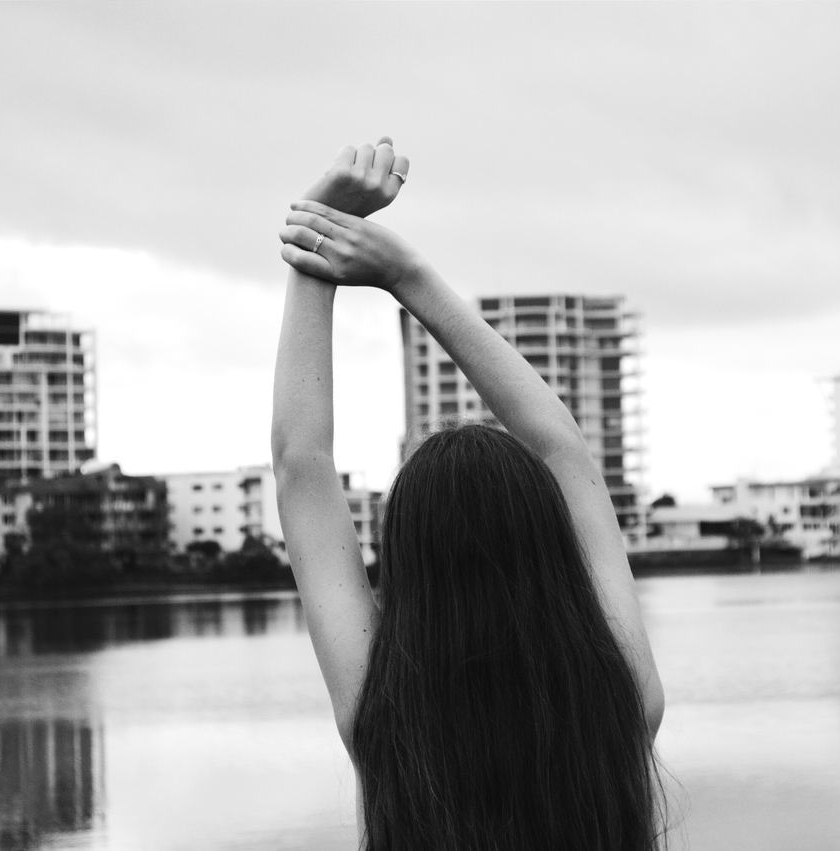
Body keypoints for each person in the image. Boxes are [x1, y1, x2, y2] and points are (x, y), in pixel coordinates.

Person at [271, 139, 665, 850]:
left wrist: (317, 231)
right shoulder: (622, 699)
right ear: (549, 543)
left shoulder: (387, 720)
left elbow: (303, 464)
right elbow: (562, 448)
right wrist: (407, 274)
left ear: (409, 563)